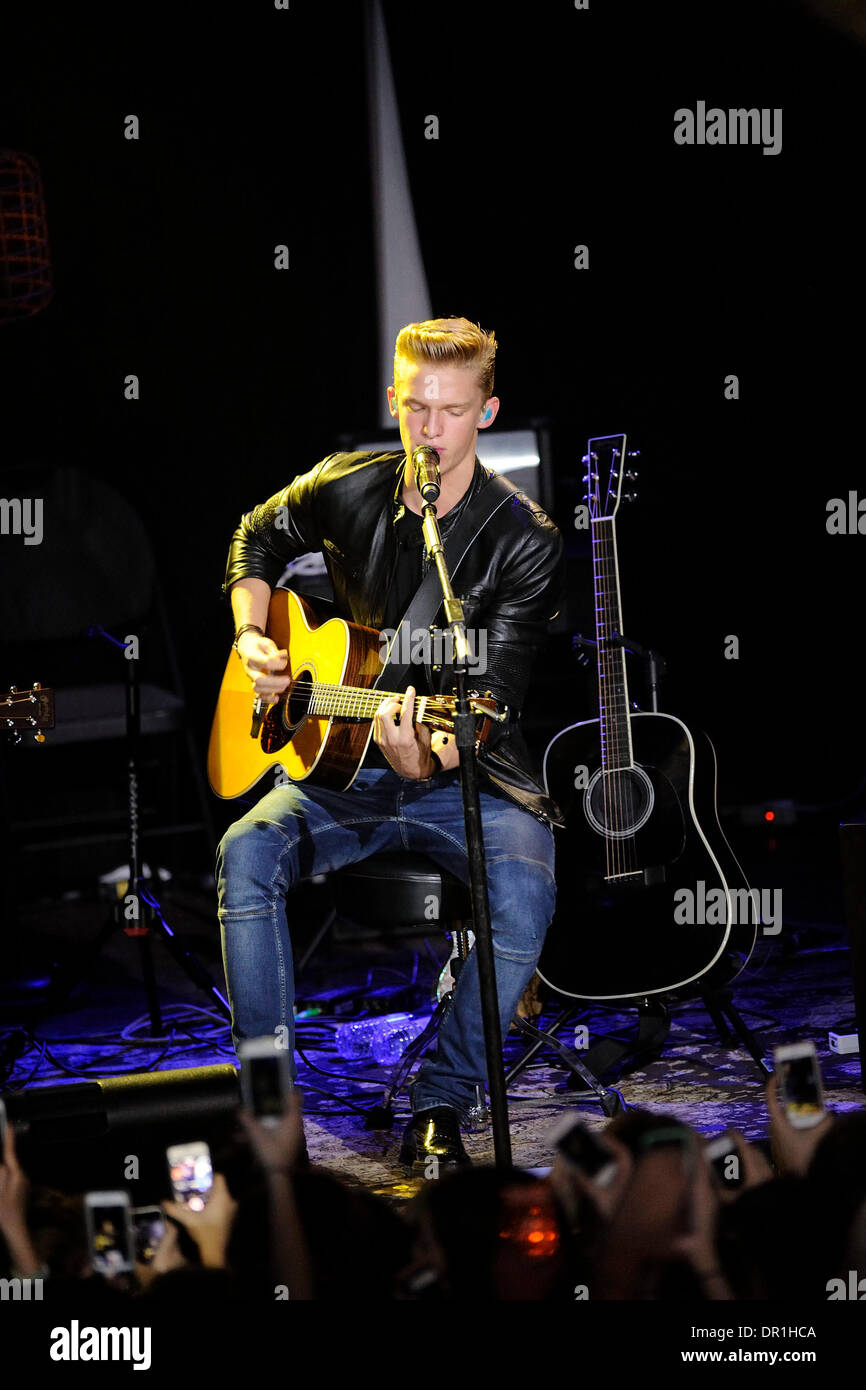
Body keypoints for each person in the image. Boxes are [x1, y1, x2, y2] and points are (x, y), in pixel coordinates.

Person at [216, 316, 564, 1169]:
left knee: (526, 893)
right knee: (243, 853)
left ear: (486, 413)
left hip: (467, 776)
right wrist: (254, 634)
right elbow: (254, 535)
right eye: (414, 408)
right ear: (393, 402)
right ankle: (272, 1104)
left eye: (449, 411)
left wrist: (430, 755)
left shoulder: (523, 540)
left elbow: (491, 700)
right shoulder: (347, 485)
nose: (429, 431)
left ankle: (444, 1097)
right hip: (341, 771)